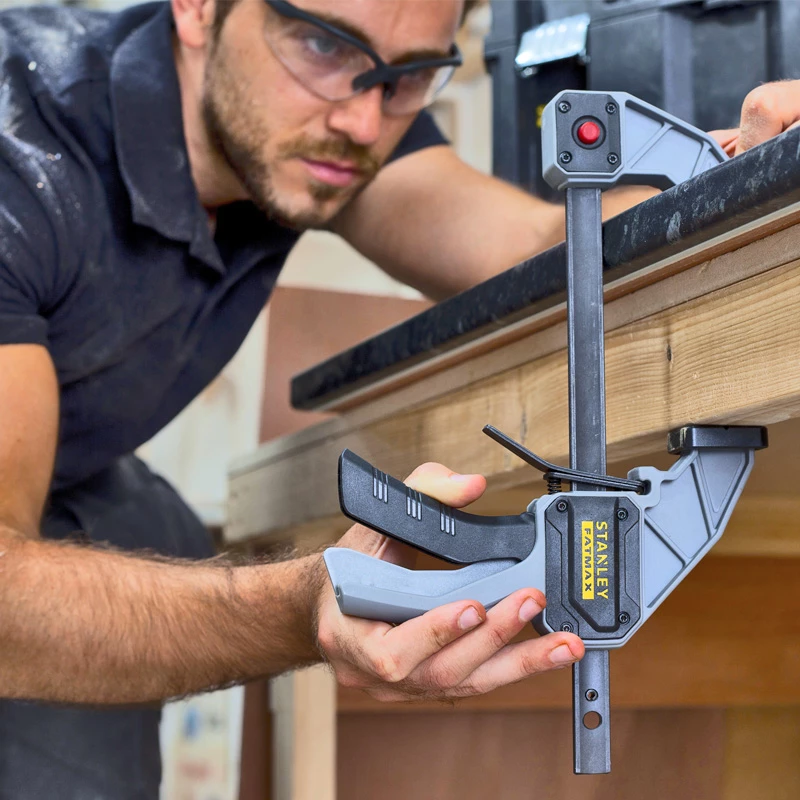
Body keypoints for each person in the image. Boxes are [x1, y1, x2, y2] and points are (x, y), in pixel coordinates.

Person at [0, 0, 795, 795]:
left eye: (409, 75)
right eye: (320, 45)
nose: (363, 121)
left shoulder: (327, 123)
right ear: (198, 8)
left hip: (72, 465)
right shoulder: (22, 167)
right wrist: (296, 610)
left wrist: (747, 181)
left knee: (151, 530)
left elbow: (529, 244)